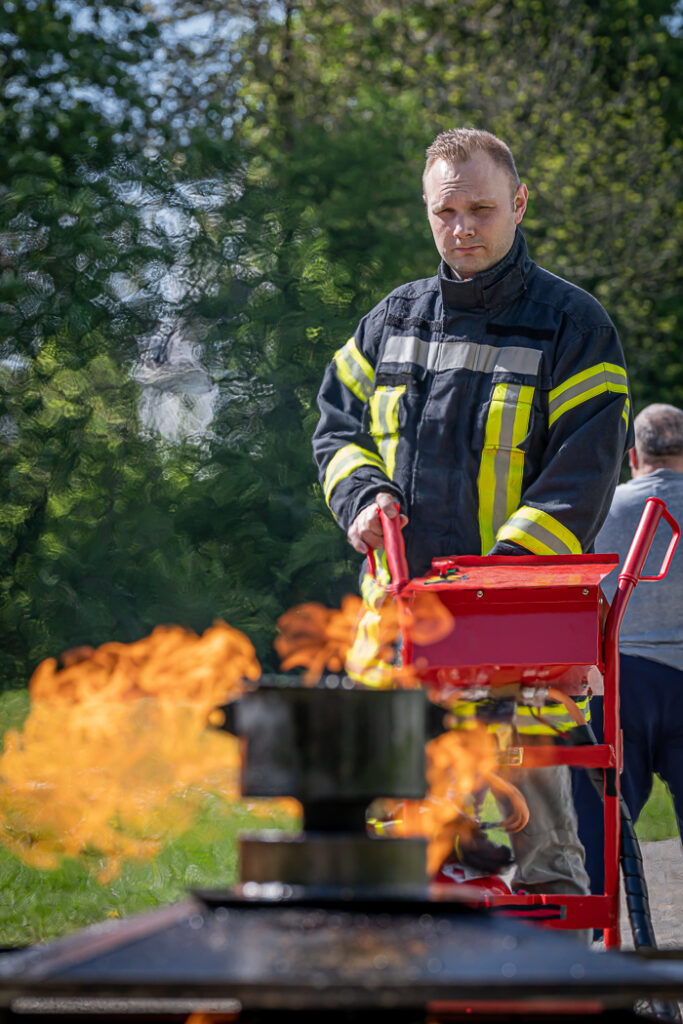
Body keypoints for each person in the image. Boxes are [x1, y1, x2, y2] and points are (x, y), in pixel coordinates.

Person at [312, 128, 633, 902]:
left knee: (549, 858)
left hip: (525, 642)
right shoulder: (391, 319)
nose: (461, 228)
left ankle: (556, 1002)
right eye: (444, 211)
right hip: (402, 635)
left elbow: (579, 480)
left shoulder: (573, 324)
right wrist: (364, 498)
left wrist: (491, 587)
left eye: (481, 209)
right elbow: (335, 428)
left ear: (518, 204)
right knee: (409, 859)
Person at [574, 403, 683, 895]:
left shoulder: (602, 507)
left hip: (619, 682)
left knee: (597, 824)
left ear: (634, 455)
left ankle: (592, 939)